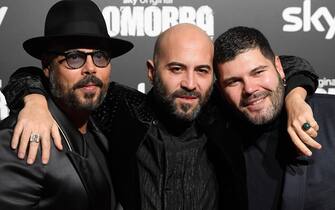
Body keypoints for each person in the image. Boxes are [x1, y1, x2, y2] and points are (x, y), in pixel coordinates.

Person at [2, 24, 319, 209]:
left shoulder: (221, 112)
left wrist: (295, 96)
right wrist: (33, 101)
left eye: (203, 71)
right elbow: (41, 75)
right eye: (176, 69)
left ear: (214, 79)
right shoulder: (122, 109)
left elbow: (281, 67)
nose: (190, 83)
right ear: (152, 72)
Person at [0, 0, 133, 209]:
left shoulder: (109, 119)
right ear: (47, 66)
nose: (91, 68)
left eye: (99, 56)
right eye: (74, 57)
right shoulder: (24, 138)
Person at [212, 26, 335, 210]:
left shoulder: (330, 116)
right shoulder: (213, 135)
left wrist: (295, 96)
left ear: (279, 67)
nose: (250, 89)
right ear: (220, 89)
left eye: (258, 72)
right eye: (234, 81)